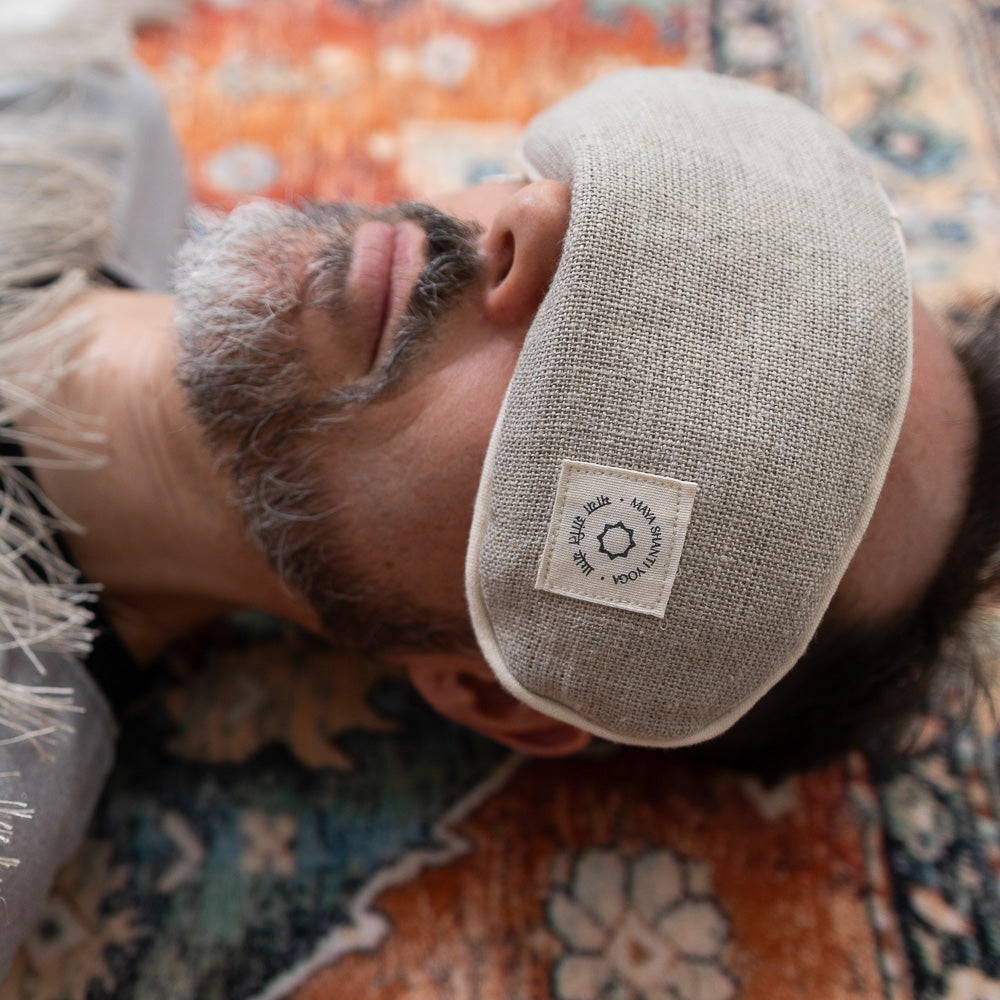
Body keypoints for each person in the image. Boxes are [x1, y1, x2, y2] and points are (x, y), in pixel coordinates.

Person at [1, 6, 997, 977]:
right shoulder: (66, 98)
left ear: (489, 687)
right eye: (656, 220)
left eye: (652, 397)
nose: (535, 215)